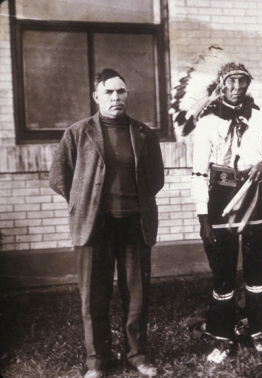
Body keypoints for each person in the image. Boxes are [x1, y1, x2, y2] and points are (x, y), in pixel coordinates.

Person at [49, 69, 164, 378]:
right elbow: (59, 177)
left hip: (133, 224)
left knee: (137, 293)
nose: (116, 98)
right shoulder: (78, 132)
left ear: (127, 95)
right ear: (97, 96)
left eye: (121, 92)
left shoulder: (143, 133)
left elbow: (155, 179)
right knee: (94, 295)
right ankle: (97, 361)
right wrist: (86, 203)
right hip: (94, 226)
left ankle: (137, 354)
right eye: (109, 92)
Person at [180, 58, 262, 363]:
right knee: (223, 274)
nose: (237, 88)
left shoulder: (260, 119)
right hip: (221, 202)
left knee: (256, 269)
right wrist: (203, 219)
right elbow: (199, 172)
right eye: (231, 82)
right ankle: (222, 337)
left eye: (242, 82)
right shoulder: (208, 122)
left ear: (247, 85)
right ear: (222, 85)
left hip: (256, 200)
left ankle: (261, 332)